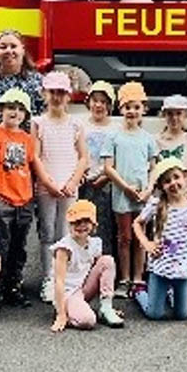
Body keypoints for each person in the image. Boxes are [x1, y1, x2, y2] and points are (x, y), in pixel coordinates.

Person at [0, 87, 40, 308]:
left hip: (24, 199)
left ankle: (14, 286)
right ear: (1, 110)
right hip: (2, 198)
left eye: (20, 109)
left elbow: (31, 167)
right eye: (10, 108)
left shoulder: (26, 138)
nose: (15, 113)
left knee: (19, 246)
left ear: (26, 114)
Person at [33, 70, 88, 304]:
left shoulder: (76, 124)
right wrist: (47, 182)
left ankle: (65, 278)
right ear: (45, 94)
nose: (56, 97)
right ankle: (48, 277)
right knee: (47, 231)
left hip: (69, 186)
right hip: (48, 185)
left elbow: (84, 157)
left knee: (67, 231)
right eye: (52, 92)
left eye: (61, 93)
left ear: (68, 96)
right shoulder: (38, 123)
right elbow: (35, 156)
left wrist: (73, 181)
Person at [132, 158, 187, 321]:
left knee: (182, 315)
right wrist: (146, 243)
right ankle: (140, 292)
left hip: (183, 268)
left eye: (176, 177)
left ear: (185, 177)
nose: (173, 183)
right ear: (161, 186)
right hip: (161, 266)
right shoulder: (156, 204)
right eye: (167, 181)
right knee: (154, 314)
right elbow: (137, 223)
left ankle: (170, 293)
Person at [102, 81, 158, 298]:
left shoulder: (147, 138)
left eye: (136, 107)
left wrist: (149, 189)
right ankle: (124, 278)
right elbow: (108, 167)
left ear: (144, 109)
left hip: (142, 195)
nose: (132, 111)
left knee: (140, 236)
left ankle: (139, 277)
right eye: (128, 107)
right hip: (122, 194)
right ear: (121, 109)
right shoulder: (114, 136)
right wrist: (124, 187)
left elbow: (154, 168)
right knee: (124, 237)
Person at [49, 199, 124, 332]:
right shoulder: (64, 248)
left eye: (86, 221)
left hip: (84, 288)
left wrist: (105, 293)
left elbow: (101, 270)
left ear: (94, 225)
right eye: (76, 222)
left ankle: (106, 308)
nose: (81, 226)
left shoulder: (94, 243)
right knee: (88, 321)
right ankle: (70, 312)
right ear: (69, 224)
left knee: (107, 260)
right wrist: (61, 315)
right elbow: (58, 281)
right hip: (69, 293)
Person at [80, 80, 117, 261]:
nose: (99, 105)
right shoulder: (81, 125)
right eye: (95, 100)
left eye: (103, 102)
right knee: (83, 223)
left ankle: (105, 263)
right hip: (84, 181)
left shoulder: (115, 128)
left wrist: (106, 176)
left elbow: (119, 156)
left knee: (104, 224)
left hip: (106, 182)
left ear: (110, 105)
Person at [157, 94, 187, 200]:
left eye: (179, 113)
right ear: (164, 115)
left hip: (185, 195)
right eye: (170, 114)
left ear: (186, 115)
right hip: (163, 196)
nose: (174, 118)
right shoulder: (156, 140)